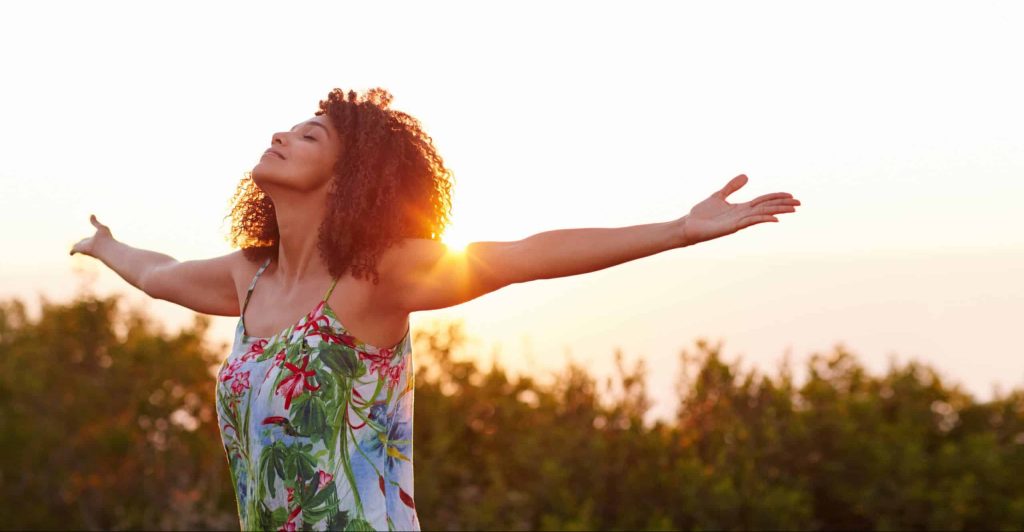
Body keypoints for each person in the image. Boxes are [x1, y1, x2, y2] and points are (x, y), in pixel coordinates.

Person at [70, 87, 800, 531]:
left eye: (309, 135)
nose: (280, 136)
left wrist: (678, 230)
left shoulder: (379, 277)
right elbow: (160, 274)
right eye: (288, 129)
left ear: (348, 179)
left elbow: (524, 255)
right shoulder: (248, 279)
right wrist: (106, 246)